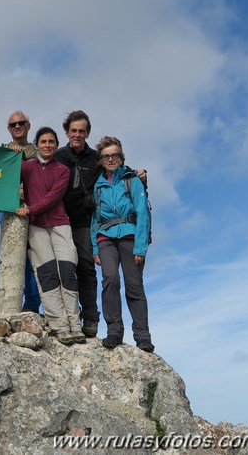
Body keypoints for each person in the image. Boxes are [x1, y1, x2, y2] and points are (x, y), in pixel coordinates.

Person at [55, 110, 147, 337]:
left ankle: (94, 319)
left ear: (87, 133)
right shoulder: (58, 157)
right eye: (73, 130)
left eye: (82, 131)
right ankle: (76, 321)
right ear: (67, 131)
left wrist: (142, 176)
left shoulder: (97, 159)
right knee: (68, 272)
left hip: (88, 223)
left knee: (89, 270)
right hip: (62, 221)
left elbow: (120, 173)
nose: (77, 134)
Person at [16, 127, 84, 345]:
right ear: (36, 144)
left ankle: (75, 324)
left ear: (56, 145)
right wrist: (14, 155)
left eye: (51, 142)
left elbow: (55, 197)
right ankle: (59, 326)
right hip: (36, 227)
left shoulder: (62, 169)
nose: (47, 145)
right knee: (46, 274)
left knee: (67, 271)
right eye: (43, 141)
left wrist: (31, 209)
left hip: (59, 223)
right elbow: (3, 176)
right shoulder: (25, 167)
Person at [91, 136, 154, 353]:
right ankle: (114, 332)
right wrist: (94, 248)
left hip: (130, 236)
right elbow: (95, 219)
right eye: (106, 156)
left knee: (134, 286)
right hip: (105, 237)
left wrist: (140, 247)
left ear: (121, 157)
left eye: (114, 155)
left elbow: (142, 213)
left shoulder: (132, 180)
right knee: (110, 279)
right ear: (101, 159)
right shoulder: (98, 186)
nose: (110, 159)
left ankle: (143, 337)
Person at [0, 110, 42, 313]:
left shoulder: (40, 151)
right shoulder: (1, 151)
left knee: (36, 255)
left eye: (21, 123)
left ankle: (33, 304)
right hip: (7, 207)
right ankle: (8, 302)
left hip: (35, 209)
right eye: (13, 124)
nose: (17, 126)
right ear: (8, 129)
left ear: (28, 125)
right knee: (12, 255)